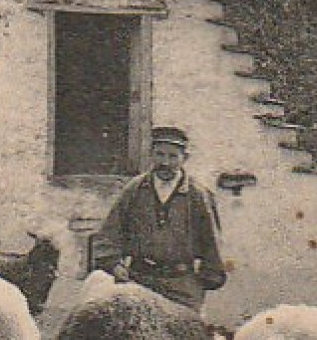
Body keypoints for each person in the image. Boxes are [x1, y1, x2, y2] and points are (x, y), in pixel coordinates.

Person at [90, 125, 226, 311]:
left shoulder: (197, 195)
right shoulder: (135, 190)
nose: (165, 162)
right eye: (160, 154)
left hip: (181, 285)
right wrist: (113, 264)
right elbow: (111, 231)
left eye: (172, 156)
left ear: (184, 158)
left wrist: (206, 278)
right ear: (151, 155)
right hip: (139, 280)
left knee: (184, 334)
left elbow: (211, 239)